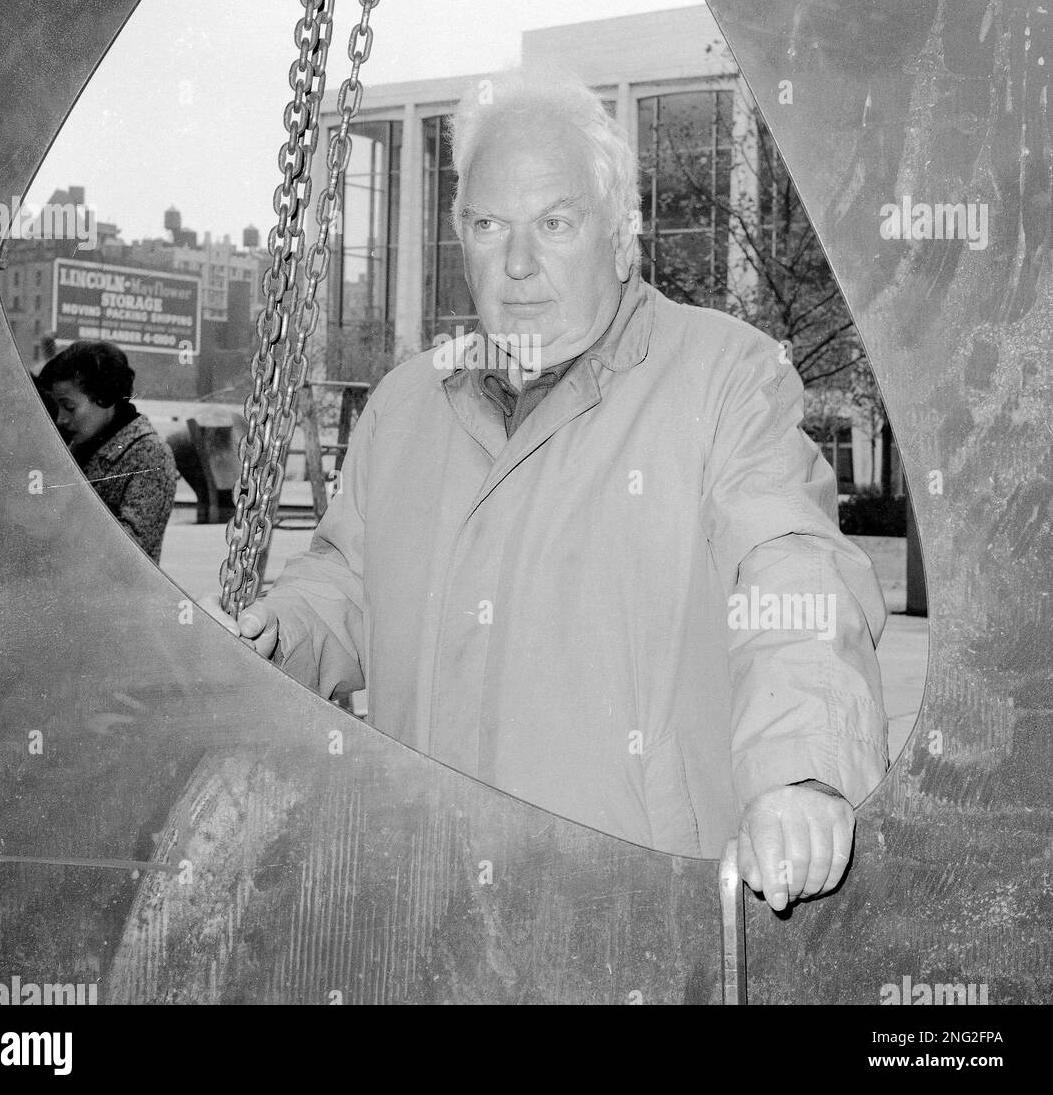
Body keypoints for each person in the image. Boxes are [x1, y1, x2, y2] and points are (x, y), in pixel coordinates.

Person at [218, 70, 890, 913]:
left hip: (635, 915)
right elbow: (349, 582)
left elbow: (791, 570)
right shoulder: (408, 405)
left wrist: (801, 768)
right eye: (489, 225)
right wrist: (283, 634)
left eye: (556, 223)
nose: (520, 263)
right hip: (430, 901)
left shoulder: (725, 378)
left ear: (620, 237)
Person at [38, 340, 179, 562]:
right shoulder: (82, 442)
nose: (61, 419)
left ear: (104, 397)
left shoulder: (149, 454)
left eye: (69, 407)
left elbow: (130, 553)